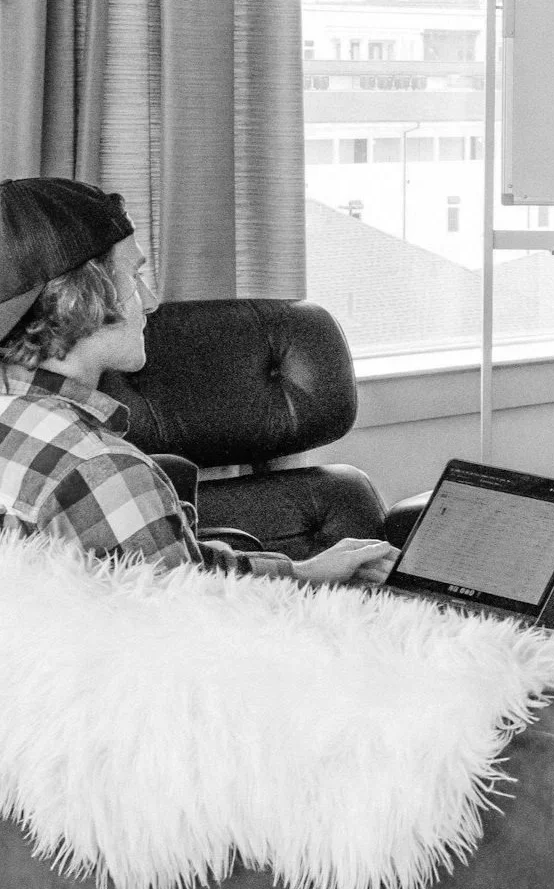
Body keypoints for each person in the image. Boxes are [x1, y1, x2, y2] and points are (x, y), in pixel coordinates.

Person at [0, 176, 395, 586]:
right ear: (79, 297)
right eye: (133, 277)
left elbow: (180, 574)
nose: (150, 301)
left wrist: (301, 573)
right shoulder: (103, 471)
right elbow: (195, 618)